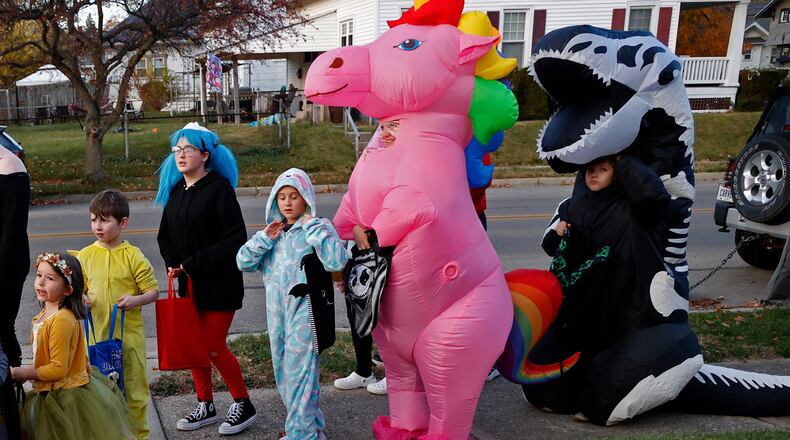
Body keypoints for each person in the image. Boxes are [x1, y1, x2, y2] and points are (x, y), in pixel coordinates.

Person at [155, 122, 256, 435]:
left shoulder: (219, 188)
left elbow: (234, 237)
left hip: (220, 282)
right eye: (177, 150)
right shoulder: (175, 190)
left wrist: (193, 263)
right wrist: (175, 263)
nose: (181, 155)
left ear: (205, 155)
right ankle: (206, 404)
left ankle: (243, 403)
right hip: (188, 284)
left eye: (188, 149)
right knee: (194, 346)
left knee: (212, 346)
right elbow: (164, 235)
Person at [237, 168, 348, 440]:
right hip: (277, 318)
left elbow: (337, 261)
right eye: (281, 197)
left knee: (299, 374)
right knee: (285, 376)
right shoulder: (273, 235)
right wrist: (264, 238)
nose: (287, 203)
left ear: (306, 198)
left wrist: (314, 229)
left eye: (294, 196)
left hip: (306, 314)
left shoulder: (317, 228)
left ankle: (300, 434)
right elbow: (243, 261)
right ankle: (311, 426)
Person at [11, 252, 134, 439]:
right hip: (48, 391)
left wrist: (22, 373)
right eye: (39, 275)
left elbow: (58, 369)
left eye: (50, 278)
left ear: (68, 290)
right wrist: (30, 372)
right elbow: (45, 358)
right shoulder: (43, 315)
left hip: (65, 399)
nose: (41, 282)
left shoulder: (62, 320)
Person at [76, 189, 159, 439]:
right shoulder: (85, 256)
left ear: (123, 223)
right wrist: (81, 297)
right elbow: (79, 290)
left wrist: (135, 300)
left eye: (104, 220)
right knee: (99, 391)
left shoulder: (133, 256)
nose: (97, 226)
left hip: (128, 340)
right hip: (95, 340)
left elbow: (152, 291)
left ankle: (140, 434)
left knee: (134, 388)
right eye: (93, 220)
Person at [0, 145, 29, 440]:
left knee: (2, 332)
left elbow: (12, 235)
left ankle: (9, 419)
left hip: (4, 268)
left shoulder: (10, 168)